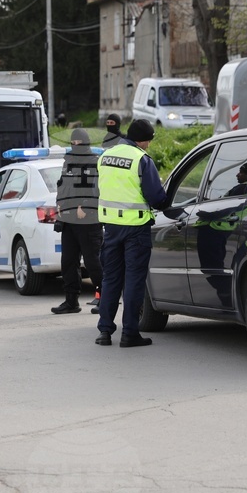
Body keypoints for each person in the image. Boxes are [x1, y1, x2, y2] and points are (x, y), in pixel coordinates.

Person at [95, 119, 168, 348]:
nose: (148, 145)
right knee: (134, 281)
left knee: (110, 280)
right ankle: (129, 334)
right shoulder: (142, 159)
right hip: (136, 229)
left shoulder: (105, 156)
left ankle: (104, 332)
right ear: (144, 140)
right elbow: (156, 198)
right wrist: (167, 201)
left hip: (110, 228)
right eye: (149, 141)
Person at [51, 128, 103, 315]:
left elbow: (98, 190)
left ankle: (105, 298)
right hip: (68, 220)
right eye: (73, 142)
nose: (75, 145)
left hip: (88, 220)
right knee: (68, 261)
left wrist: (84, 205)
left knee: (92, 262)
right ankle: (71, 301)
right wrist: (59, 205)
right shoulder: (68, 161)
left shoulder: (94, 163)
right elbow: (63, 187)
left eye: (78, 142)